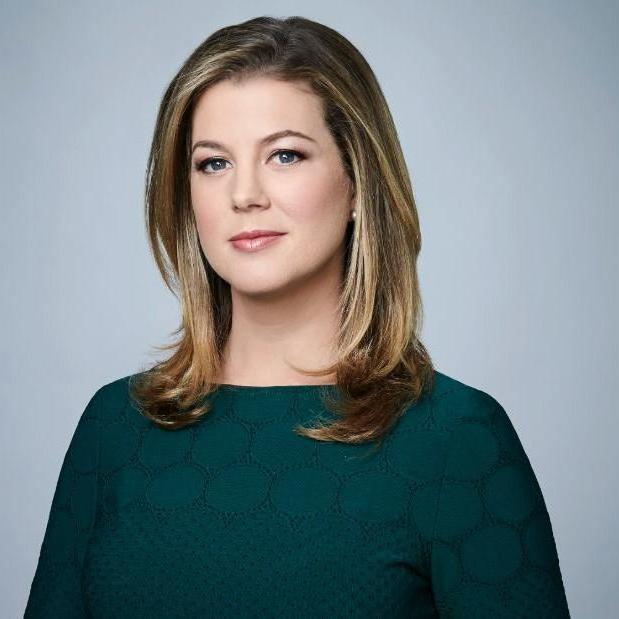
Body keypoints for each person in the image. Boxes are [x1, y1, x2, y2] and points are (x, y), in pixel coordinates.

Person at [24, 15, 571, 618]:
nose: (245, 195)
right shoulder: (114, 429)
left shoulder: (457, 440)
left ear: (358, 182)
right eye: (213, 163)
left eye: (285, 155)